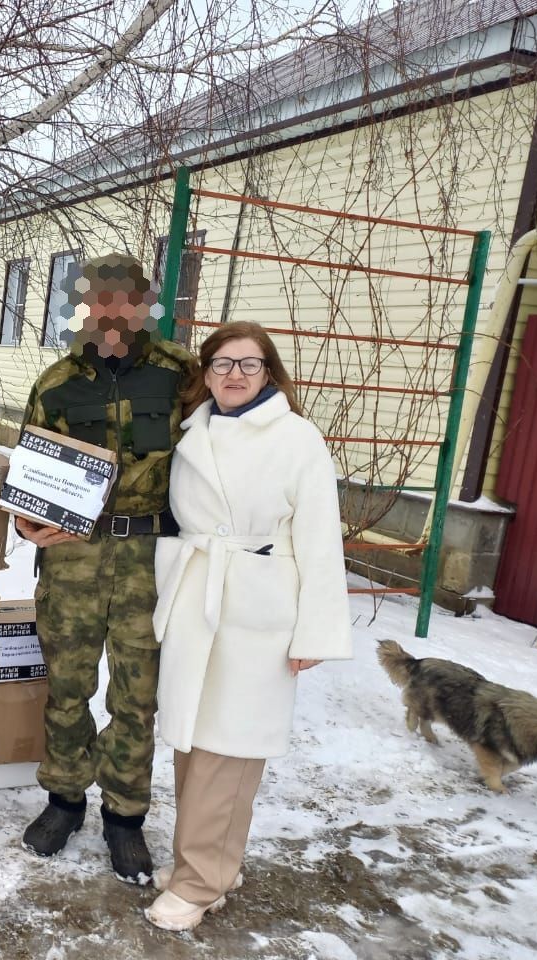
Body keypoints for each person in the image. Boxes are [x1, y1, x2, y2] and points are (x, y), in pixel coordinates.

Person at [144, 321, 352, 931]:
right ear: (205, 374)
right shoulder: (195, 431)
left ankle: (200, 880)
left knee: (228, 752)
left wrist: (315, 631)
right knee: (193, 742)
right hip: (198, 598)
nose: (234, 375)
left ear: (270, 372)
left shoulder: (296, 438)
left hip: (256, 607)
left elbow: (319, 540)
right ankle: (210, 864)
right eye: (222, 364)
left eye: (249, 364)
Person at [16, 253, 195, 884]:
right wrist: (25, 520)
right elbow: (29, 472)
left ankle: (125, 818)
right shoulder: (58, 381)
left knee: (136, 696)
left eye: (125, 299)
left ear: (144, 306)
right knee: (67, 685)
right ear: (84, 308)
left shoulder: (182, 376)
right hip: (72, 555)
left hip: (150, 556)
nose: (112, 312)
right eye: (99, 299)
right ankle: (64, 801)